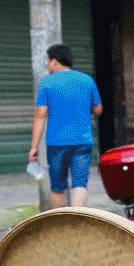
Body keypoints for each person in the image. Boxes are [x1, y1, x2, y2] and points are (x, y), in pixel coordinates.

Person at [29, 44, 102, 208]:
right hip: (83, 141)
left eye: (48, 61)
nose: (48, 65)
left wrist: (34, 146)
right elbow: (98, 109)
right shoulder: (86, 80)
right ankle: (77, 226)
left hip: (57, 144)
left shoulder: (47, 83)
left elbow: (40, 115)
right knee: (80, 184)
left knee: (57, 187)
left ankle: (62, 229)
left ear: (54, 62)